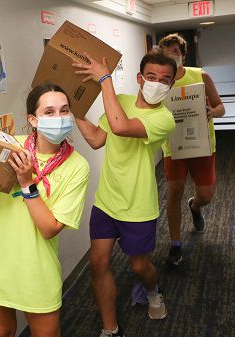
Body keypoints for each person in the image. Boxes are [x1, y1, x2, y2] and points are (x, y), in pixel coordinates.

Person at [0, 84, 89, 337]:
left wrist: (26, 183)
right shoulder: (12, 146)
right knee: (1, 333)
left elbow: (49, 229)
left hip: (36, 269)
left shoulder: (77, 167)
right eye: (49, 112)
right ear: (33, 120)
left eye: (64, 111)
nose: (59, 118)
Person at [72, 49, 177, 337]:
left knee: (139, 265)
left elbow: (120, 126)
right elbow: (97, 139)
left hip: (138, 206)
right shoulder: (123, 102)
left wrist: (105, 79)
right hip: (106, 201)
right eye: (152, 76)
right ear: (140, 78)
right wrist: (73, 110)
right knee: (98, 263)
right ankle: (111, 329)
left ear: (171, 85)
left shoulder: (165, 119)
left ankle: (153, 291)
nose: (157, 83)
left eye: (165, 80)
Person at [158, 33, 225, 267]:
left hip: (202, 144)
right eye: (166, 53)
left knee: (206, 195)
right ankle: (175, 245)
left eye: (175, 52)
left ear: (183, 55)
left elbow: (221, 108)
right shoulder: (159, 82)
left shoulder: (200, 76)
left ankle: (194, 206)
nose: (171, 56)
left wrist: (211, 111)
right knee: (174, 191)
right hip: (173, 146)